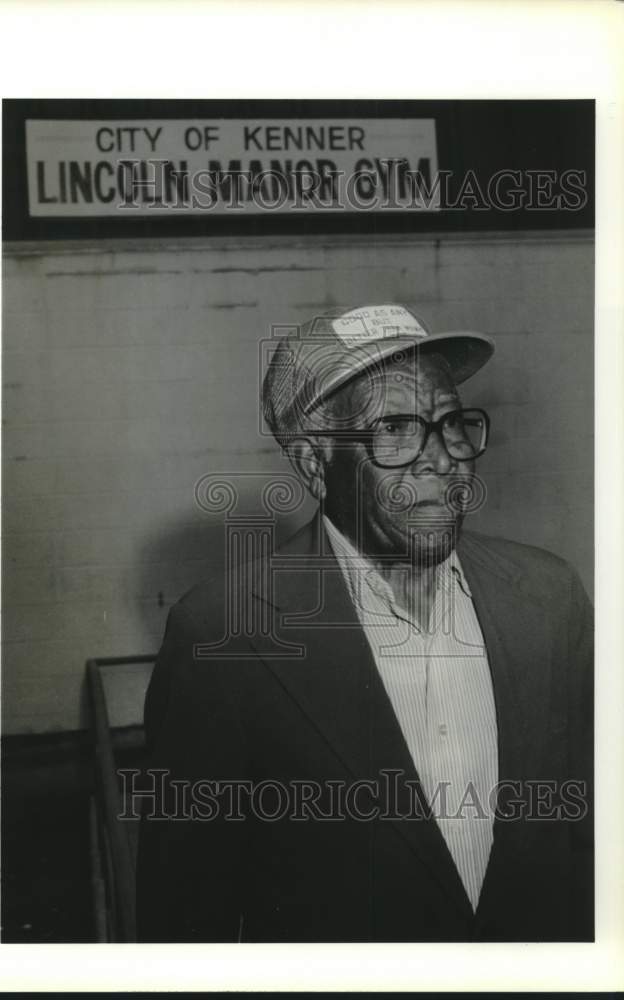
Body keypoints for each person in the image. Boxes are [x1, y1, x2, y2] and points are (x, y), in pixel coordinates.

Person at [135, 303, 593, 942]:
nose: (444, 458)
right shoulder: (224, 633)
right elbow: (185, 913)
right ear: (315, 462)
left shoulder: (549, 598)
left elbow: (589, 841)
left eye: (451, 422)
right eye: (397, 430)